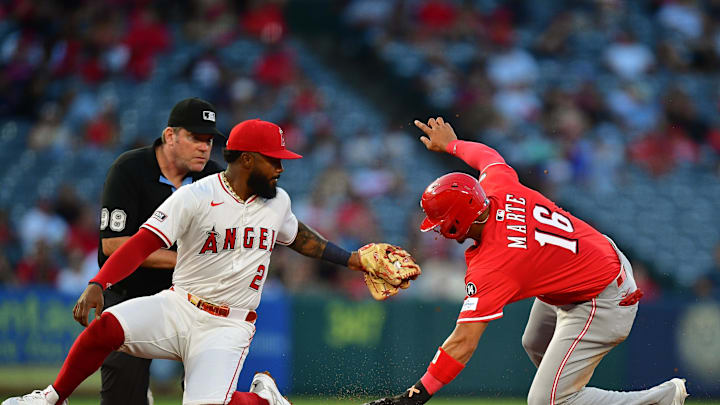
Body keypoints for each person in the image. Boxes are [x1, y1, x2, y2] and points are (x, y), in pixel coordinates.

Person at [2, 119, 383, 405]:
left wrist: (353, 260)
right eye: (274, 161)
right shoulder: (195, 197)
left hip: (227, 326)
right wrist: (98, 283)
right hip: (180, 305)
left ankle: (263, 399)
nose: (281, 168)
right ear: (248, 160)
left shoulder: (277, 201)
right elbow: (140, 244)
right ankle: (50, 399)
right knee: (107, 329)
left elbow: (300, 237)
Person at [363, 117, 688, 405]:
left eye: (440, 223)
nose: (438, 230)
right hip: (590, 260)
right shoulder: (497, 186)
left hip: (602, 299)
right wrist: (453, 145)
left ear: (458, 221)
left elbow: (462, 342)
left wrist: (416, 396)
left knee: (546, 401)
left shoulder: (495, 264)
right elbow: (488, 157)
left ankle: (660, 400)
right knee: (534, 342)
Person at [97, 97, 224, 405]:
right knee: (122, 399)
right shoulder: (130, 169)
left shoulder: (215, 179)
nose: (204, 147)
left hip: (191, 299)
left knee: (211, 397)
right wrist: (184, 259)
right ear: (171, 136)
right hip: (130, 292)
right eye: (195, 137)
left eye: (209, 140)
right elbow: (113, 244)